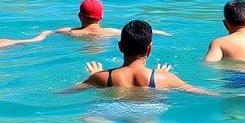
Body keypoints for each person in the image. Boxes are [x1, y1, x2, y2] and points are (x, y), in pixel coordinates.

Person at [67, 20, 212, 93]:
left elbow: (67, 92)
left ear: (120, 47)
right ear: (149, 49)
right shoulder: (165, 79)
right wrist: (160, 76)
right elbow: (199, 92)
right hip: (149, 109)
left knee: (94, 119)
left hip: (113, 108)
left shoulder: (102, 77)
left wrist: (94, 75)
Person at [56, 0, 172, 38]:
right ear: (101, 17)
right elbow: (136, 32)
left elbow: (48, 32)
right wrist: (158, 32)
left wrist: (39, 37)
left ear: (79, 16)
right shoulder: (110, 32)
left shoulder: (70, 32)